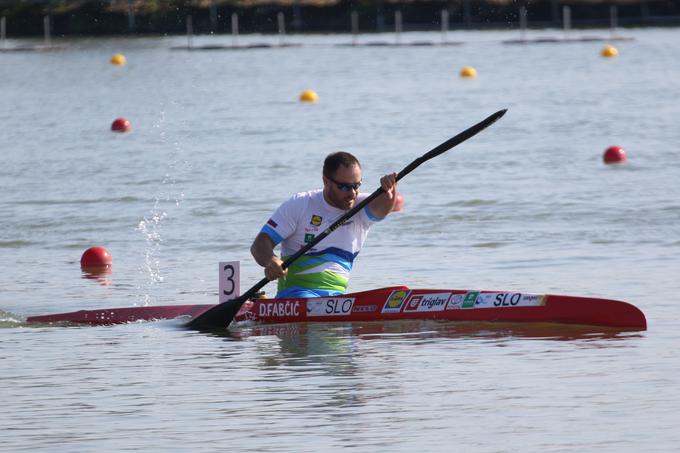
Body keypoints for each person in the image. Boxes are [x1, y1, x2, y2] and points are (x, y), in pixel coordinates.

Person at [251, 151, 398, 298]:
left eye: (357, 185)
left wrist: (390, 189)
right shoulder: (300, 204)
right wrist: (271, 260)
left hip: (336, 298)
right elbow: (260, 244)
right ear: (326, 181)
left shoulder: (360, 206)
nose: (353, 193)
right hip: (295, 295)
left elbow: (383, 206)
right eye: (344, 187)